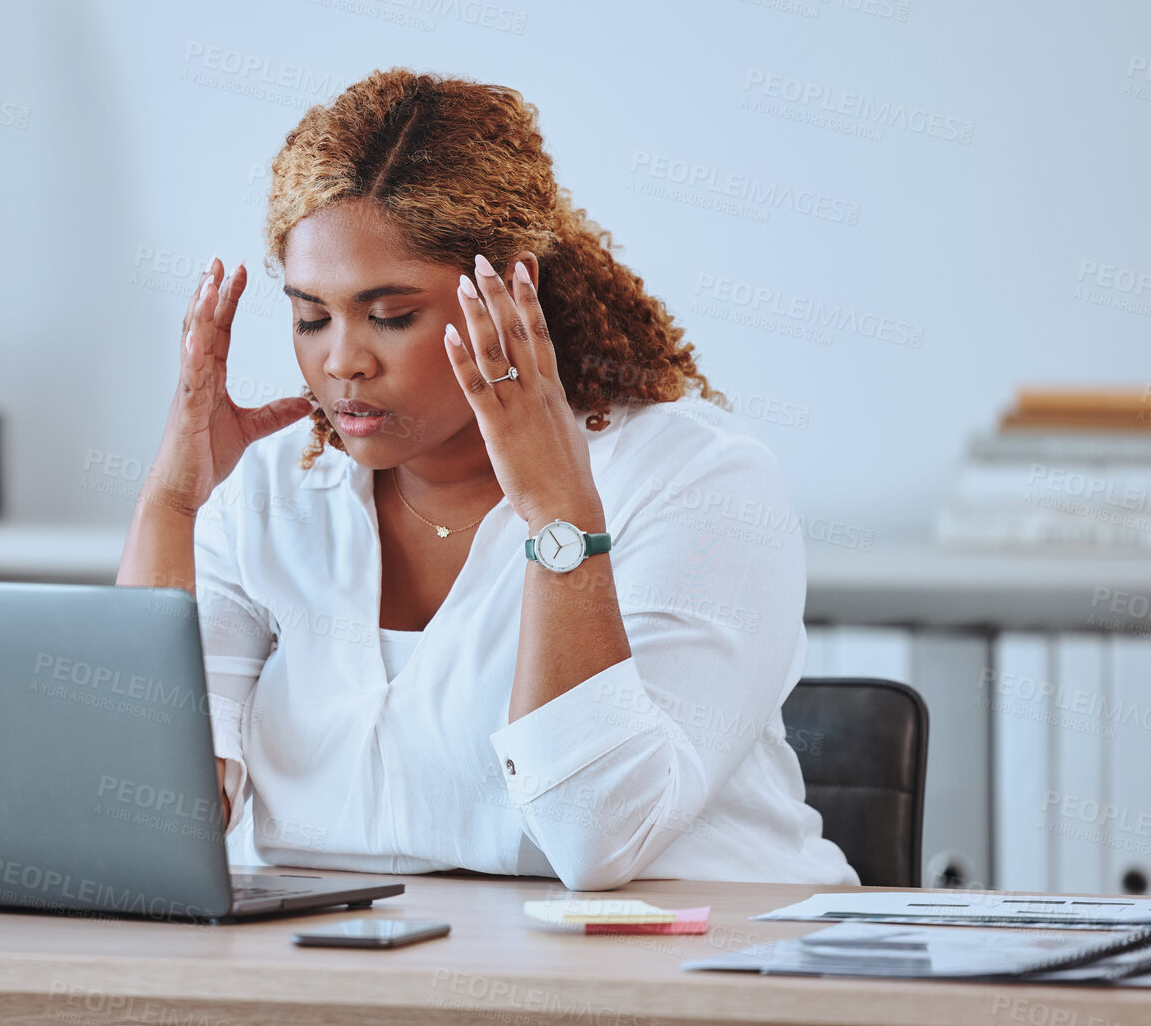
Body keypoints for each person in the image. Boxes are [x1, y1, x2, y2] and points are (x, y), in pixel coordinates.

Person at [115, 67, 858, 891]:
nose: (342, 360)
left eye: (390, 316)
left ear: (509, 293)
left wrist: (559, 515)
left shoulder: (694, 479)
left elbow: (595, 838)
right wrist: (171, 504)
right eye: (310, 317)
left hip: (684, 982)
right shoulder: (270, 492)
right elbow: (141, 819)